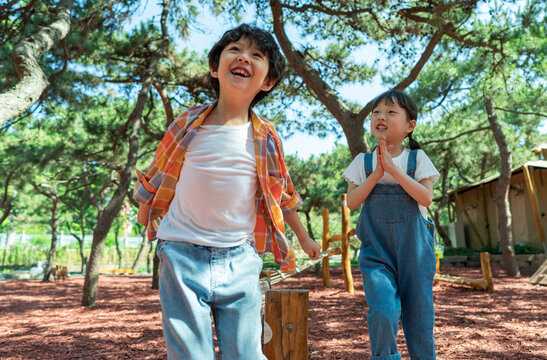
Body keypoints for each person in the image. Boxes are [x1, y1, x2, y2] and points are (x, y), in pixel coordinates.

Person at [133, 24, 320, 360]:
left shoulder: (266, 138)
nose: (243, 57)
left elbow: (280, 196)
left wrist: (304, 239)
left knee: (246, 354)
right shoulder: (188, 123)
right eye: (235, 50)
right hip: (180, 253)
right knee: (191, 353)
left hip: (239, 258)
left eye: (256, 55)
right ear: (214, 67)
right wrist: (145, 212)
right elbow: (159, 172)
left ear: (267, 82)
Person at [344, 90, 440, 360]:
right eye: (376, 112)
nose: (380, 117)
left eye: (390, 112)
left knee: (420, 318)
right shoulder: (362, 162)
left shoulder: (417, 159)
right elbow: (352, 202)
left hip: (416, 256)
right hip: (377, 255)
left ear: (410, 125)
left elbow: (426, 197)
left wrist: (394, 170)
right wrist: (376, 173)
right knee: (383, 311)